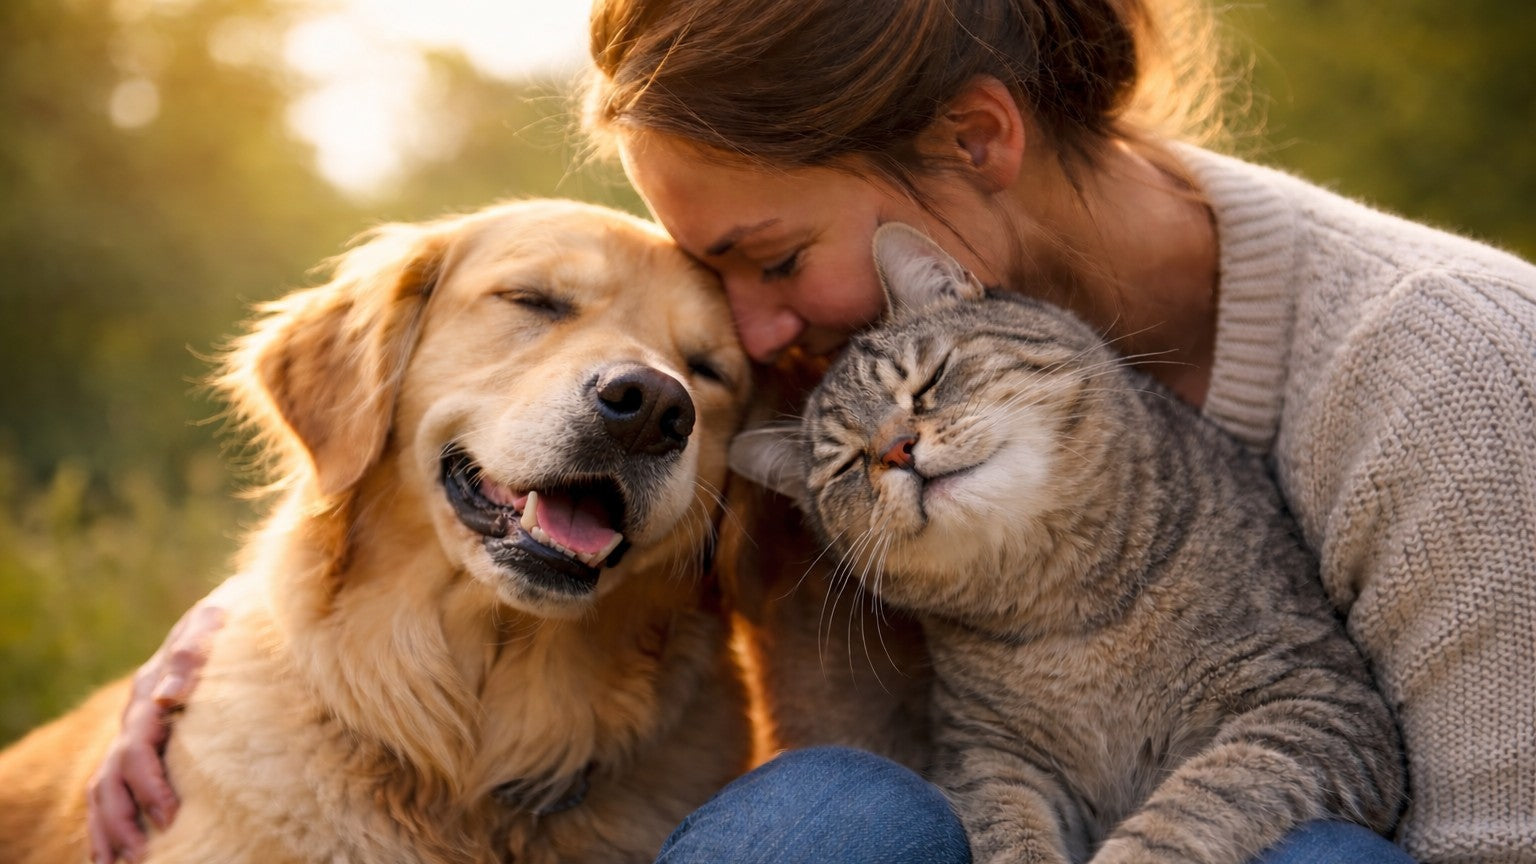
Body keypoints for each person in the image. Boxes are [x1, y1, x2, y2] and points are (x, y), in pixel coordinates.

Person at [89, 1, 1536, 862]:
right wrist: (257, 635)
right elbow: (515, 477)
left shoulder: (1445, 375)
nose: (749, 345)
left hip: (1269, 831)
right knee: (830, 815)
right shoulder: (824, 368)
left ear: (977, 143)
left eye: (769, 262)